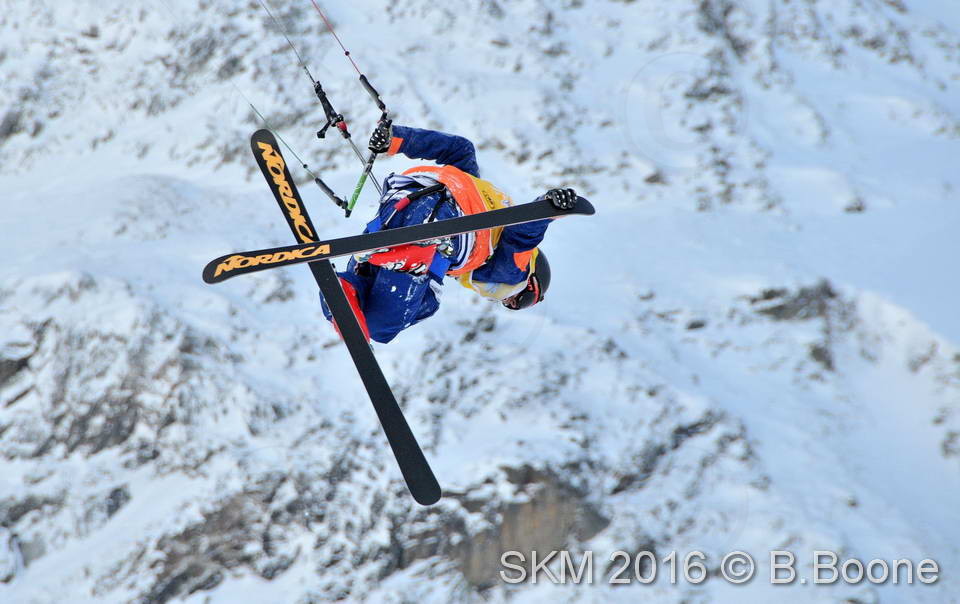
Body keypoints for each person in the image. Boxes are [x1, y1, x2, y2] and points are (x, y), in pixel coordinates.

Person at [320, 121, 578, 343]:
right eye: (521, 301)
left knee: (367, 307)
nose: (508, 302)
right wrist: (548, 208)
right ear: (531, 281)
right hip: (444, 227)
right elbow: (523, 234)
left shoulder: (475, 185)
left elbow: (460, 149)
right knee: (401, 317)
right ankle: (409, 266)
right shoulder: (514, 272)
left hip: (399, 204)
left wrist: (396, 139)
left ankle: (346, 287)